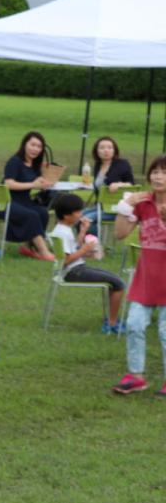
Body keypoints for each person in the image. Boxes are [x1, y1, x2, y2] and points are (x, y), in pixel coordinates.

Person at [111, 155, 166, 395]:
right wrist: (126, 206)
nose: (158, 176)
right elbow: (119, 234)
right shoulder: (143, 202)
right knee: (133, 324)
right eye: (155, 171)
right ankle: (135, 376)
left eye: (164, 172)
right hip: (147, 276)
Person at [50, 193, 126, 334]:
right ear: (67, 215)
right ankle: (112, 323)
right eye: (78, 211)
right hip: (74, 272)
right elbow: (65, 260)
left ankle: (111, 319)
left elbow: (74, 249)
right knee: (119, 283)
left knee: (115, 280)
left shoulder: (63, 229)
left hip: (75, 269)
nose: (81, 214)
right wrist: (84, 250)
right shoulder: (62, 233)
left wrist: (83, 231)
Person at [2, 131, 56, 261]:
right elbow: (8, 184)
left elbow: (36, 181)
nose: (35, 149)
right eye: (33, 145)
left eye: (39, 146)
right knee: (31, 215)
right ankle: (44, 252)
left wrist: (43, 183)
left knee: (42, 213)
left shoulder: (34, 164)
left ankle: (29, 247)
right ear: (24, 144)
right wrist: (32, 184)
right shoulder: (14, 162)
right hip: (7, 203)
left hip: (24, 201)